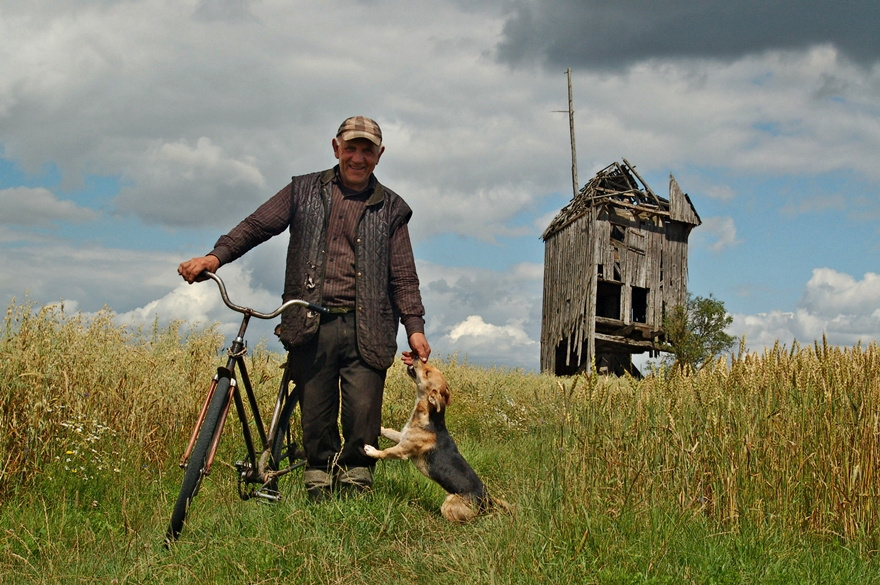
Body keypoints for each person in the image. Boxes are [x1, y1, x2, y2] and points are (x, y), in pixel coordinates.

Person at [178, 116, 431, 500]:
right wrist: (215, 258)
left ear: (380, 155)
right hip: (311, 318)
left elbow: (403, 276)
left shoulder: (393, 209)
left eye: (367, 150)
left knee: (363, 412)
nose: (358, 158)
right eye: (351, 148)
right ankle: (319, 478)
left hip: (369, 326)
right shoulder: (302, 191)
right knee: (316, 411)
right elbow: (256, 225)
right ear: (336, 148)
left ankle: (357, 478)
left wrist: (414, 325)